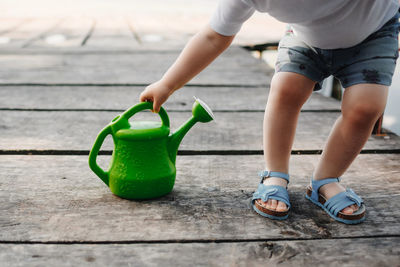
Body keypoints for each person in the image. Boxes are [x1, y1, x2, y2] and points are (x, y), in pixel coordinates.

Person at [139, 0, 400, 224]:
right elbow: (213, 36)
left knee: (365, 107)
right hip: (306, 36)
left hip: (373, 34)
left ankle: (325, 180)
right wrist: (167, 84)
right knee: (286, 88)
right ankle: (275, 174)